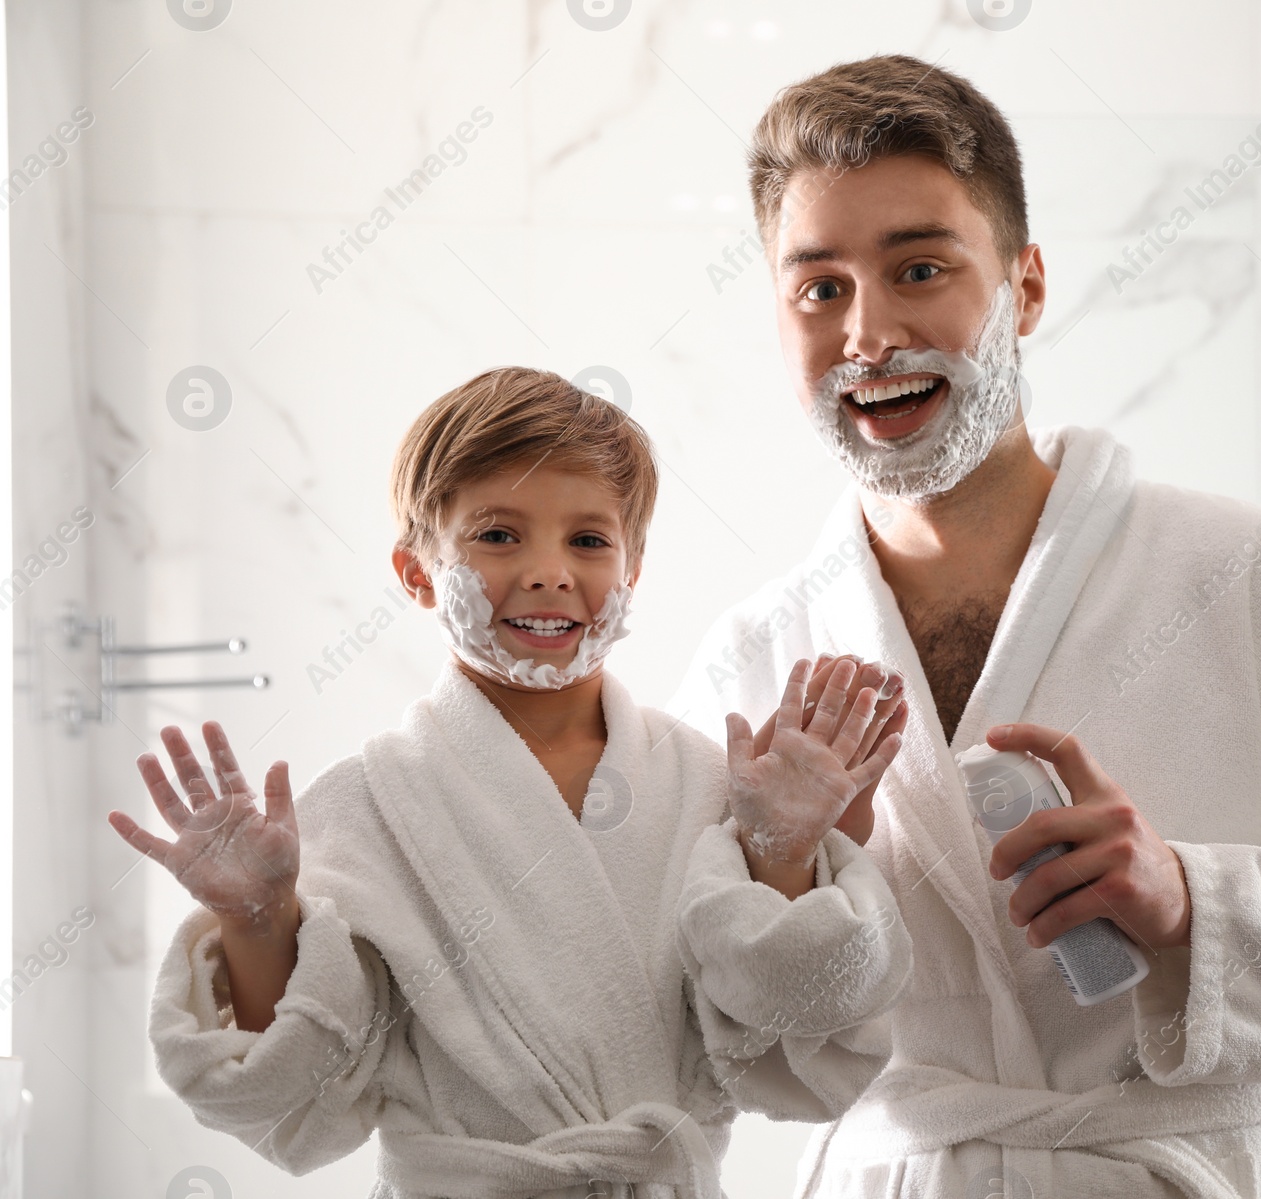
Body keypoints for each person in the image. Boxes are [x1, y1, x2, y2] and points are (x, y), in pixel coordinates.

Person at [671, 55, 1261, 1198]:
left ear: (1024, 287)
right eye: (820, 290)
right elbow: (718, 1053)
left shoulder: (1251, 577)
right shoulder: (750, 658)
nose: (869, 335)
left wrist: (1185, 900)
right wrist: (779, 874)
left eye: (920, 268)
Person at [108, 367, 916, 1199]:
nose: (548, 571)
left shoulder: (709, 788)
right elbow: (297, 1094)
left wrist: (781, 854)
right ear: (419, 573)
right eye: (498, 536)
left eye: (589, 541)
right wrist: (256, 918)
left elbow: (794, 1052)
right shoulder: (368, 806)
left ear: (633, 571)